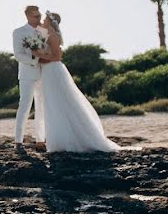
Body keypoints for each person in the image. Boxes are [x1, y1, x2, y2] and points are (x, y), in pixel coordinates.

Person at [35, 11, 119, 153]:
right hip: (48, 71)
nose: (42, 21)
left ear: (50, 21)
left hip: (52, 71)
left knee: (57, 102)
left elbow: (57, 56)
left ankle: (64, 140)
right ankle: (57, 138)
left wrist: (37, 56)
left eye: (44, 19)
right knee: (53, 103)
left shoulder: (51, 34)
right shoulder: (44, 32)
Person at [12, 5, 48, 149]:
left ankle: (40, 140)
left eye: (39, 15)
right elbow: (18, 55)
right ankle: (18, 141)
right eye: (36, 16)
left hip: (45, 73)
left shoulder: (44, 31)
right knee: (24, 106)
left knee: (41, 106)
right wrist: (35, 59)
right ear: (27, 16)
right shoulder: (19, 32)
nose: (39, 19)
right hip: (27, 73)